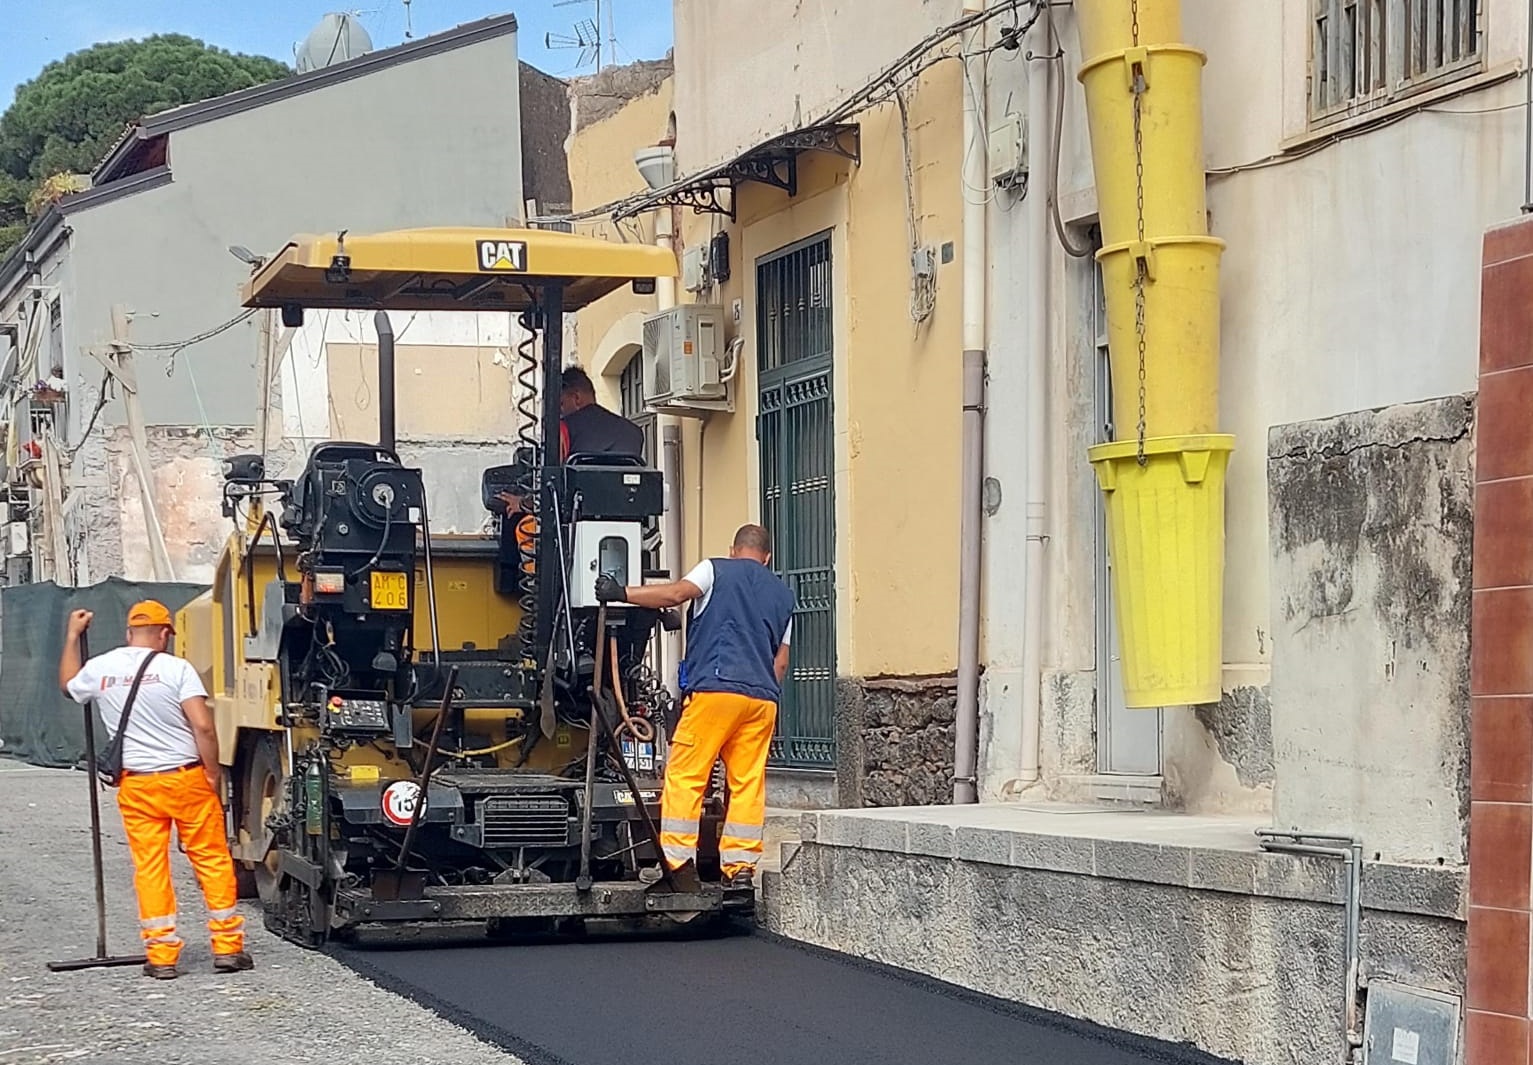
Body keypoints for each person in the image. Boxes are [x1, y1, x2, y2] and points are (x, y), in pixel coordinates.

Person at [58, 601, 253, 981]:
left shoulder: (101, 668)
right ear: (165, 634)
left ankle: (162, 954)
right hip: (185, 778)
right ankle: (228, 947)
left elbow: (68, 686)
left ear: (130, 633)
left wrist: (72, 636)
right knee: (211, 860)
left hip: (137, 783)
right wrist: (211, 774)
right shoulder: (176, 668)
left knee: (150, 866)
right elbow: (203, 726)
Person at [595, 523, 794, 892]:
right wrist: (762, 693)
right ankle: (740, 869)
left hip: (716, 689)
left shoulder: (715, 569)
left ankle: (677, 865)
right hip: (762, 699)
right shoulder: (783, 595)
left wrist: (620, 592)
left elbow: (674, 594)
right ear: (767, 558)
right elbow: (780, 662)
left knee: (687, 775)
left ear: (734, 549)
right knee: (748, 782)